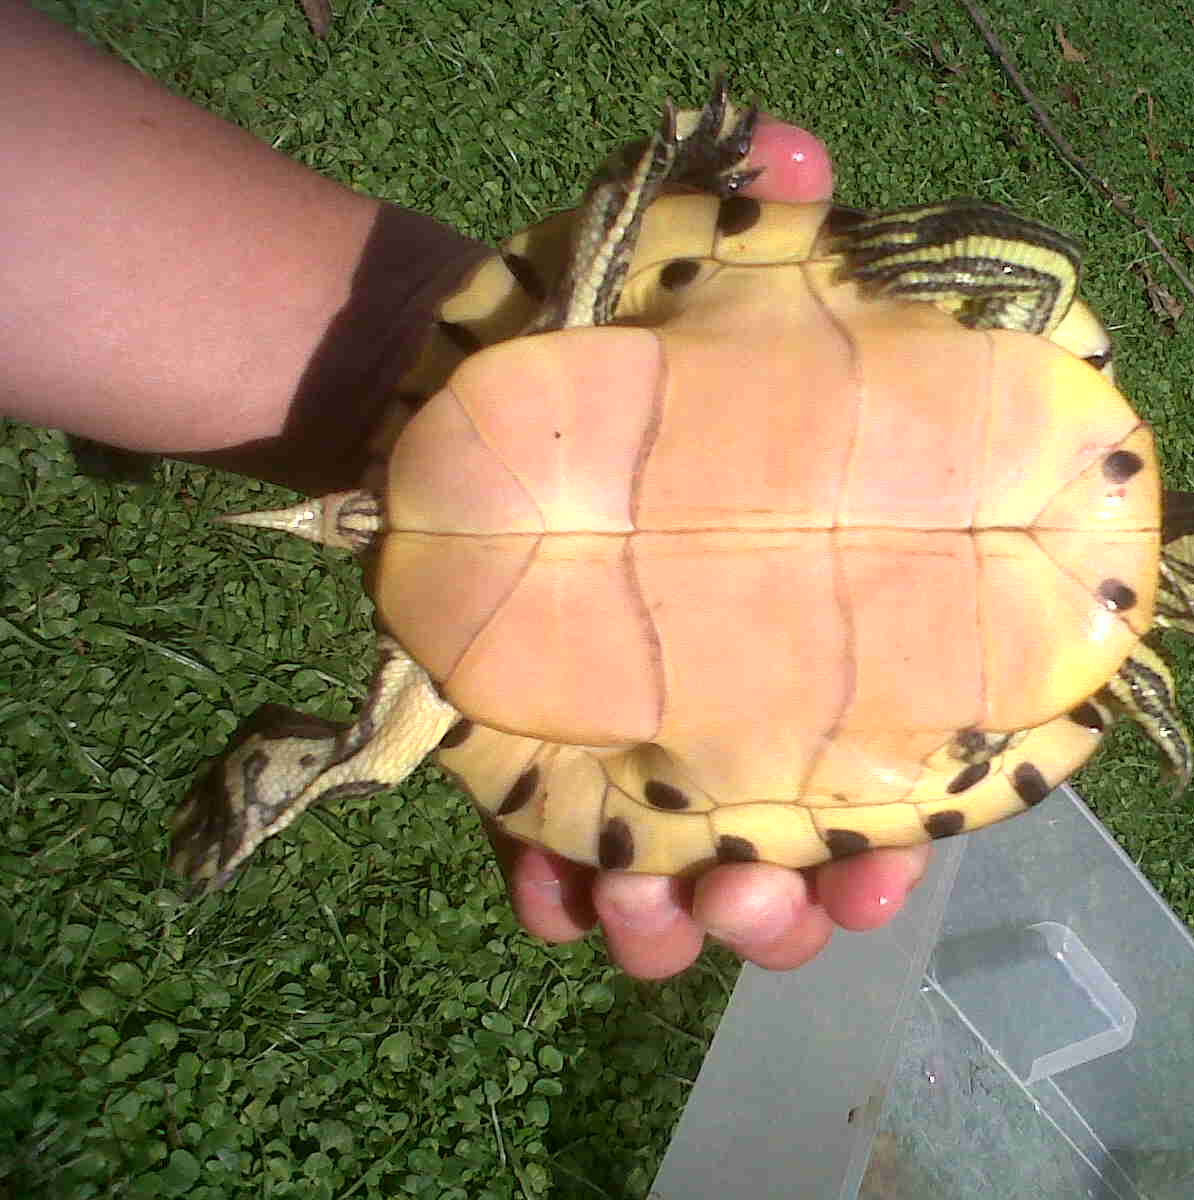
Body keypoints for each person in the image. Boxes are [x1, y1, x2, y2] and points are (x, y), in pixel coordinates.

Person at [0, 5, 929, 980]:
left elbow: (635, 271)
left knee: (391, 751)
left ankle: (337, 748)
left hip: (497, 574)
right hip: (483, 652)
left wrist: (667, 186)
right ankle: (330, 751)